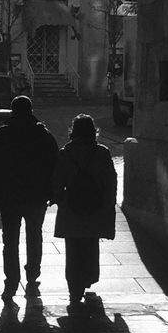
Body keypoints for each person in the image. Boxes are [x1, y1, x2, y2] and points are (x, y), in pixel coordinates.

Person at [0, 95, 59, 298]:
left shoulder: (3, 134)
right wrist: (53, 193)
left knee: (10, 241)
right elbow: (55, 164)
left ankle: (11, 278)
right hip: (36, 195)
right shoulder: (43, 134)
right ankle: (33, 272)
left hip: (10, 196)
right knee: (34, 235)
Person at [51, 112, 117, 307]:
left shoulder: (65, 153)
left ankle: (74, 286)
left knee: (73, 249)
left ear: (74, 131)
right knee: (90, 245)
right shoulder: (102, 152)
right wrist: (108, 205)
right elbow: (110, 182)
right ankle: (88, 278)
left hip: (71, 207)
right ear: (92, 131)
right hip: (95, 206)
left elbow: (56, 182)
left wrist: (60, 200)